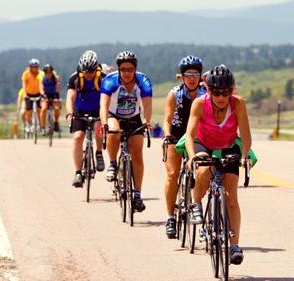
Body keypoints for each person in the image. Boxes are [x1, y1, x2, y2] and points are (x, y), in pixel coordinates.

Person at [184, 65, 251, 265]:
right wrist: (192, 156)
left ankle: (234, 246)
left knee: (231, 197)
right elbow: (189, 135)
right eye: (216, 92)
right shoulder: (199, 103)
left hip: (228, 145)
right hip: (203, 143)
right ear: (209, 91)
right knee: (204, 169)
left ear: (232, 91)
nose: (221, 97)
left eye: (226, 92)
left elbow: (246, 136)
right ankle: (196, 202)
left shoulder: (238, 103)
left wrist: (244, 156)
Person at [100, 51, 152, 212]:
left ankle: (137, 194)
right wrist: (104, 123)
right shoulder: (110, 81)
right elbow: (103, 105)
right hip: (114, 115)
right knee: (114, 131)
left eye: (130, 69)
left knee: (137, 152)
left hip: (134, 117)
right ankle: (113, 165)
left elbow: (148, 105)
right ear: (118, 69)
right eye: (123, 69)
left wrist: (146, 121)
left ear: (135, 69)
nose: (127, 73)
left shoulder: (143, 81)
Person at [162, 55, 207, 239]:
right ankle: (171, 217)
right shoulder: (175, 93)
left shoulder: (206, 94)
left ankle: (201, 213)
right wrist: (167, 136)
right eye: (188, 74)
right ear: (181, 76)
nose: (192, 78)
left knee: (205, 171)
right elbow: (166, 119)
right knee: (173, 175)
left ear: (201, 76)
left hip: (197, 136)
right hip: (176, 135)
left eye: (195, 74)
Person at [66, 50, 106, 187]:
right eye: (86, 72)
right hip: (80, 111)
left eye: (91, 72)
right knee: (78, 137)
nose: (89, 75)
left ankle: (99, 153)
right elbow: (70, 98)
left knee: (99, 128)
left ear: (96, 69)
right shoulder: (75, 78)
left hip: (97, 110)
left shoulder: (103, 78)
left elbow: (108, 98)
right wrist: (70, 114)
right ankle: (78, 172)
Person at [22, 58, 44, 133]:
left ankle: (41, 125)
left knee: (39, 110)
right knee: (29, 111)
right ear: (30, 67)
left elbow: (42, 83)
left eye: (36, 66)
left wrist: (43, 93)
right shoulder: (26, 73)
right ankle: (28, 124)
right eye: (33, 67)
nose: (35, 68)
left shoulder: (41, 73)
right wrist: (25, 94)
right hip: (28, 94)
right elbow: (24, 85)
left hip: (38, 93)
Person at [40, 64, 61, 132]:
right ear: (44, 72)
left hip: (54, 94)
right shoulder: (42, 79)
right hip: (45, 95)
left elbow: (57, 88)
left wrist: (55, 97)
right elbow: (41, 88)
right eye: (46, 72)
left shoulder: (55, 78)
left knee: (57, 108)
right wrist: (43, 95)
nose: (48, 73)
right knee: (43, 109)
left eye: (49, 72)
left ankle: (56, 122)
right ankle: (43, 126)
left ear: (52, 72)